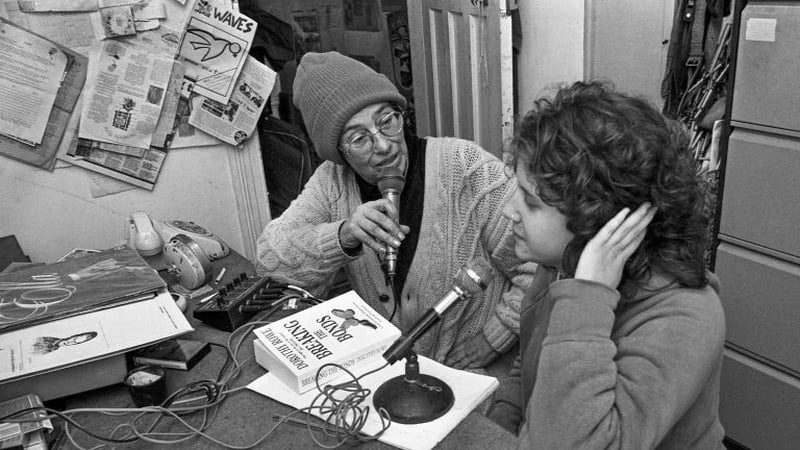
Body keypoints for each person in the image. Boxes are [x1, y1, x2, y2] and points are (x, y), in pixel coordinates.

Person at [256, 51, 534, 370]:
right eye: (359, 139)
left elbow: (542, 263)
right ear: (338, 153)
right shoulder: (331, 184)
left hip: (475, 367)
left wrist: (495, 337)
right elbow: (270, 263)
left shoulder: (465, 167)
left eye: (387, 121)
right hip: (392, 371)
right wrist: (343, 236)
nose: (385, 145)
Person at [488, 80, 725, 448]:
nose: (509, 211)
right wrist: (500, 429)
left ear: (597, 221)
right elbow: (534, 368)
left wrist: (587, 297)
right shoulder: (563, 266)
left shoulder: (685, 316)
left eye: (531, 203)